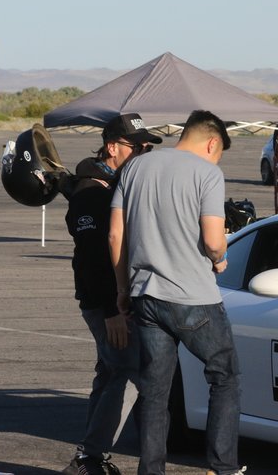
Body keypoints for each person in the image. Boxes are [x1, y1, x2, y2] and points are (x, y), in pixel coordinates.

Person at [109, 110, 245, 475]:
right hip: (193, 299)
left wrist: (123, 288)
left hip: (146, 296)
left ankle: (150, 470)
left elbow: (115, 236)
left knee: (155, 391)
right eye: (219, 153)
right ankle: (223, 466)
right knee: (224, 376)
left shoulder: (135, 168)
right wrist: (219, 259)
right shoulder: (208, 174)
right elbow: (215, 241)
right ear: (212, 142)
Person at [62, 113, 162, 475]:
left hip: (116, 298)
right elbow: (92, 258)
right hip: (105, 302)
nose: (143, 152)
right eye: (137, 146)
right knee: (130, 371)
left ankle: (90, 457)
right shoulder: (91, 193)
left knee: (109, 372)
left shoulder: (115, 184)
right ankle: (91, 456)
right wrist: (111, 311)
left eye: (147, 147)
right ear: (112, 147)